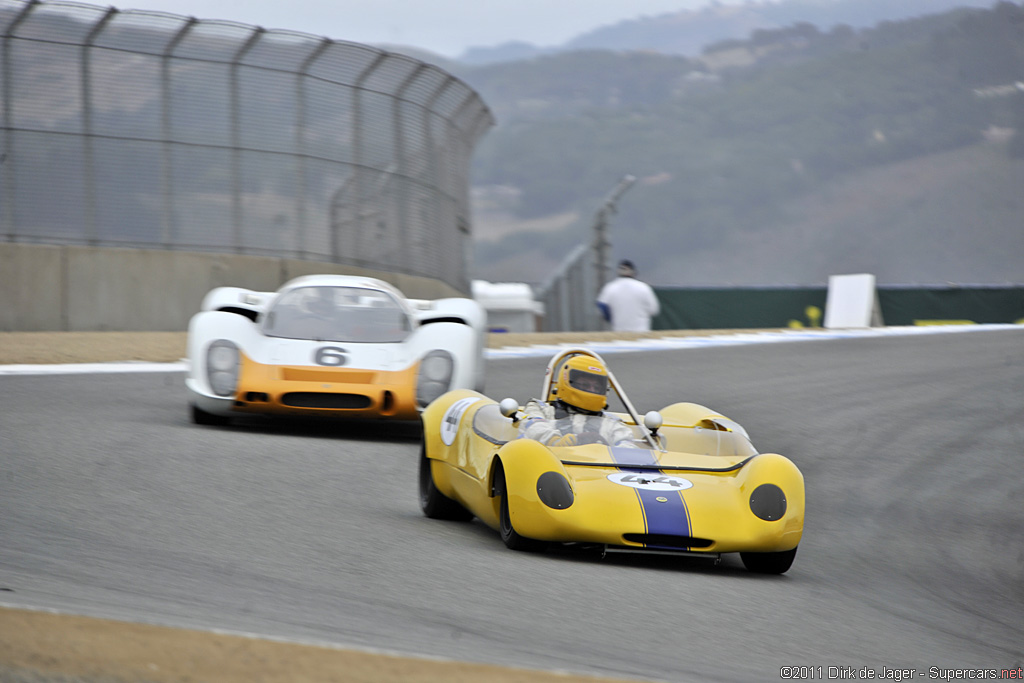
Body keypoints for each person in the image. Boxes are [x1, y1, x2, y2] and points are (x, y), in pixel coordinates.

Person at [520, 355, 638, 448]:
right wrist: (554, 441)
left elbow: (628, 447)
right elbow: (534, 428)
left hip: (596, 472)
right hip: (551, 467)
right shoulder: (540, 408)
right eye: (585, 385)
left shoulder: (611, 423)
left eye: (596, 387)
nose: (592, 390)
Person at [596, 259, 660, 332]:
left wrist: (611, 318)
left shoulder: (610, 287)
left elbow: (602, 307)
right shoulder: (643, 287)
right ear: (633, 272)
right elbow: (654, 310)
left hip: (619, 334)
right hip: (641, 334)